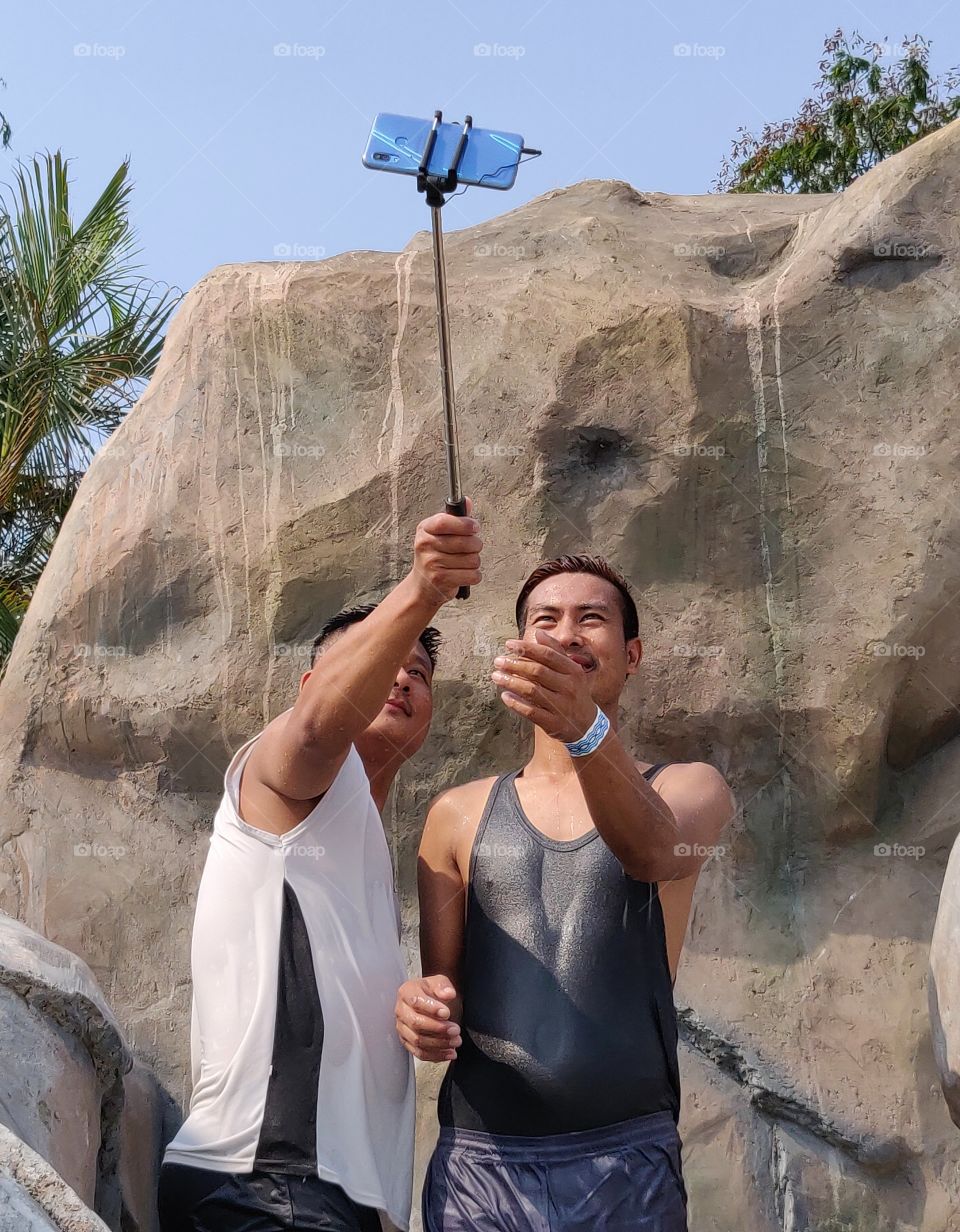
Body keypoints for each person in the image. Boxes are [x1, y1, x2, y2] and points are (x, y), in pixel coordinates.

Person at [157, 500, 483, 1232]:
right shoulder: (278, 781)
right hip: (264, 1184)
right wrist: (423, 591)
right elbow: (313, 730)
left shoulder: (359, 839)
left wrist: (419, 1009)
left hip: (328, 1200)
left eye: (421, 672)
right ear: (312, 687)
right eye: (380, 661)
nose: (402, 677)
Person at [397, 553, 734, 1232]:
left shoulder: (688, 789)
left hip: (625, 1165)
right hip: (479, 1170)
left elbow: (654, 850)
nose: (569, 633)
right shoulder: (456, 814)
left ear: (632, 654)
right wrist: (418, 1008)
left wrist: (586, 729)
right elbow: (446, 988)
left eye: (592, 619)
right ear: (520, 649)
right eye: (545, 621)